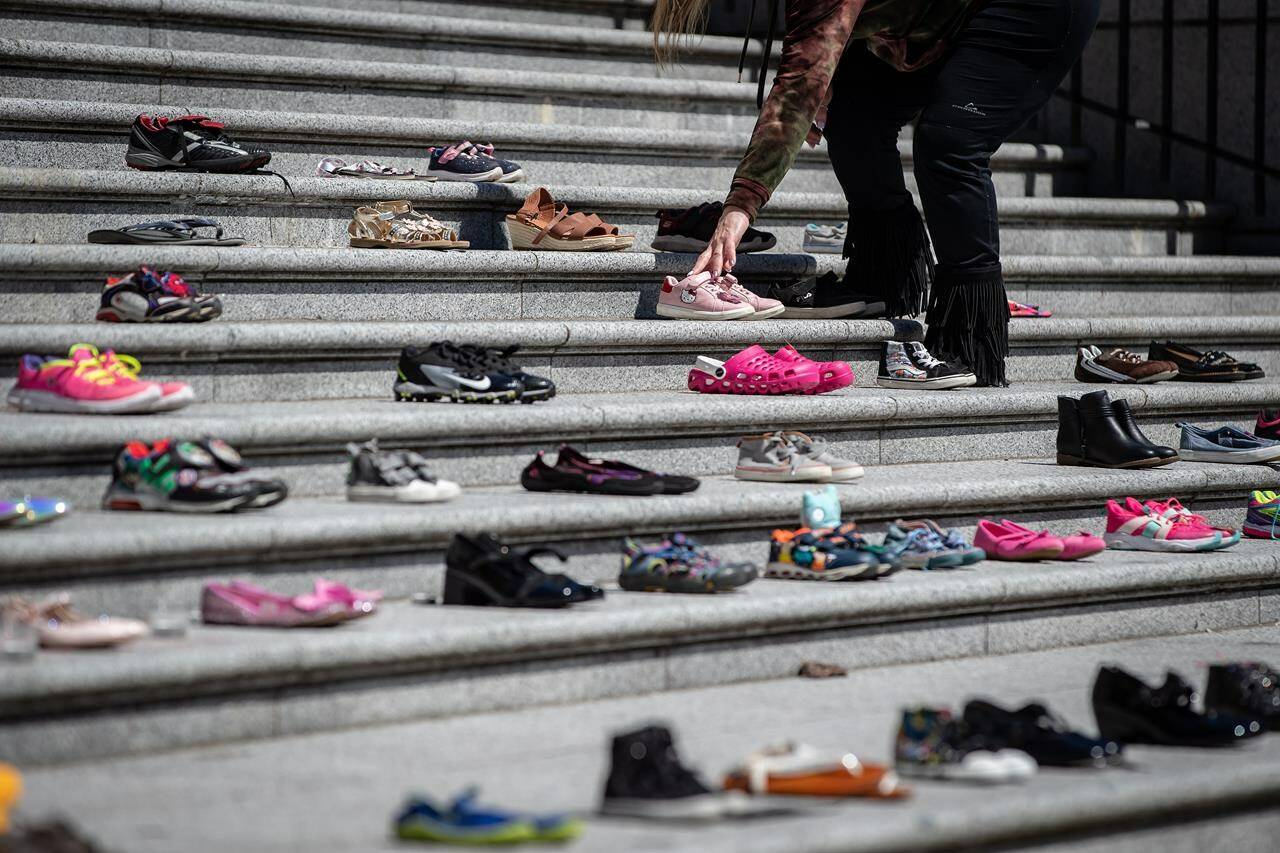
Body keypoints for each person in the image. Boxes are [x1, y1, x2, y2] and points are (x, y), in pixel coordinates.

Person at [652, 0, 1101, 386]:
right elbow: (816, 54)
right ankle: (881, 276)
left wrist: (740, 206)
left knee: (950, 141)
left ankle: (970, 340)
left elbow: (797, 87)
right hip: (939, 17)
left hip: (1034, 10)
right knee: (854, 113)